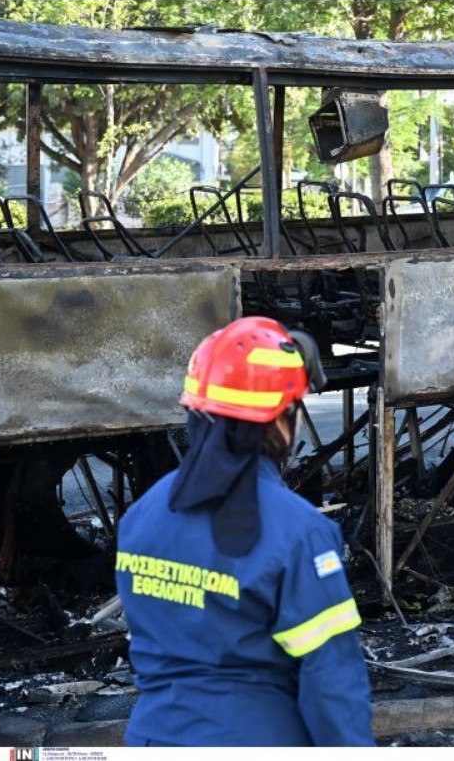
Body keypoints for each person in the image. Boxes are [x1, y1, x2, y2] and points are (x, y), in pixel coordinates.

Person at [115, 316, 374, 747]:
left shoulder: (143, 516)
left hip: (154, 737)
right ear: (281, 417)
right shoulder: (301, 533)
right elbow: (331, 684)